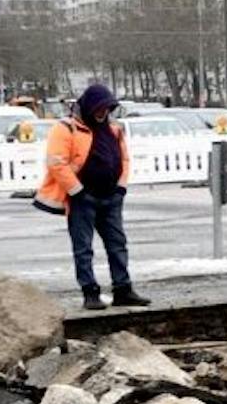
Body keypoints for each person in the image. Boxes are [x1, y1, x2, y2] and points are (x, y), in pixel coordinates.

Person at [34, 83, 149, 311]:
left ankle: (123, 289)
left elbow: (124, 160)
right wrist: (78, 191)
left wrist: (120, 189)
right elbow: (57, 163)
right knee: (83, 248)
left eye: (107, 108)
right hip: (82, 199)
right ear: (88, 106)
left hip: (110, 197)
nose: (103, 112)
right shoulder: (66, 128)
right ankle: (90, 292)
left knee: (118, 244)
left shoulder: (114, 130)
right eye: (99, 108)